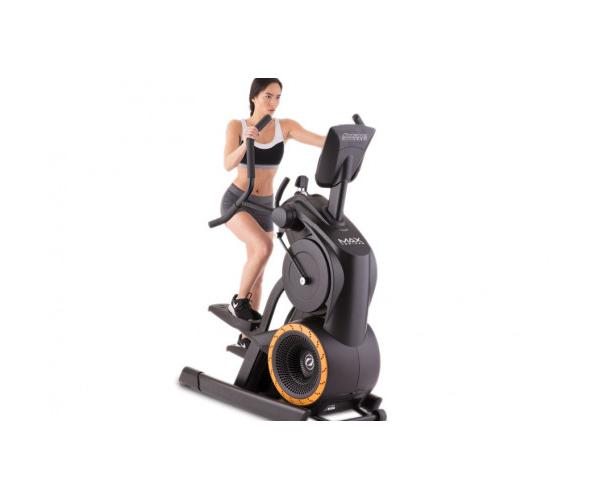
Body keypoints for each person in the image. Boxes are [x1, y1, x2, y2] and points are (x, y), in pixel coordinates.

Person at [220, 78, 326, 348]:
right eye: (268, 96)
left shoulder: (284, 127)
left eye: (278, 97)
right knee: (263, 247)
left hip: (265, 205)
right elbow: (227, 164)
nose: (274, 103)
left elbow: (321, 141)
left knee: (259, 273)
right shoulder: (237, 126)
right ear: (254, 97)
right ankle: (237, 303)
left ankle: (246, 338)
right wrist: (245, 143)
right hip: (238, 201)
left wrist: (348, 138)